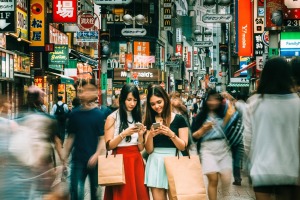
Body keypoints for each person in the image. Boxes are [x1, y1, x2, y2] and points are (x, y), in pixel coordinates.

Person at [243, 57, 300, 200]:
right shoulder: (296, 103)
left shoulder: (254, 103)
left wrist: (251, 162)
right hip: (289, 170)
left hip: (261, 169)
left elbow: (247, 140)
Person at [103, 84, 149, 200]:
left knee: (138, 193)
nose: (132, 103)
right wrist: (124, 134)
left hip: (136, 160)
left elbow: (140, 148)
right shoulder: (112, 117)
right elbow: (109, 146)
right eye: (129, 100)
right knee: (124, 195)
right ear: (122, 99)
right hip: (120, 160)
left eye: (135, 100)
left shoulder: (138, 116)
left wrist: (140, 136)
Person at [144, 84, 188, 200]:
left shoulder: (179, 119)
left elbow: (183, 146)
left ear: (165, 99)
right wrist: (150, 136)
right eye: (152, 104)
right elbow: (149, 150)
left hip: (174, 159)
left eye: (159, 102)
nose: (156, 106)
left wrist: (171, 134)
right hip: (155, 162)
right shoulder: (149, 120)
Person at [63, 84, 106, 200]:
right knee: (76, 192)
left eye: (87, 91)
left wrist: (96, 155)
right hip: (77, 160)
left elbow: (102, 138)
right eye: (81, 91)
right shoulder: (74, 114)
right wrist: (64, 159)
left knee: (95, 193)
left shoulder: (98, 115)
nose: (83, 93)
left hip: (94, 161)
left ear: (93, 94)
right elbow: (70, 137)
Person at [191, 89, 232, 200]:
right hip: (207, 148)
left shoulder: (224, 113)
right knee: (213, 179)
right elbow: (193, 136)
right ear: (206, 101)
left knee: (226, 178)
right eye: (210, 100)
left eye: (216, 99)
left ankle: (224, 197)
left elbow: (235, 108)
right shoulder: (201, 116)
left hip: (223, 147)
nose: (212, 102)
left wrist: (229, 97)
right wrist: (203, 130)